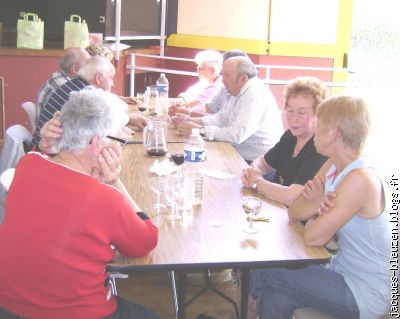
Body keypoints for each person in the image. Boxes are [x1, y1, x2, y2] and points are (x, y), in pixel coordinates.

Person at [0, 89, 159, 319]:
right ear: (97, 144)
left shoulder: (28, 163)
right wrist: (115, 183)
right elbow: (147, 240)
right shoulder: (106, 198)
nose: (121, 146)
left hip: (9, 308)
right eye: (119, 139)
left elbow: (52, 169)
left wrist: (49, 145)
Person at [249, 95, 391, 319]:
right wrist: (317, 204)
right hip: (339, 272)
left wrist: (315, 207)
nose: (315, 129)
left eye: (319, 123)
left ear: (333, 132)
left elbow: (313, 237)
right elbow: (294, 212)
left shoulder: (361, 180)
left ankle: (242, 312)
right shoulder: (333, 164)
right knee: (275, 296)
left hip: (365, 292)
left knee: (264, 269)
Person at [173, 56, 283, 163]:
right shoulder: (239, 89)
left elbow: (237, 134)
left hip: (255, 164)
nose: (222, 80)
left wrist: (200, 131)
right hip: (236, 153)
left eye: (226, 75)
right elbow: (222, 118)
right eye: (222, 74)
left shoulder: (255, 94)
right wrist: (190, 120)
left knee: (197, 162)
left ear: (243, 78)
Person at [241, 77, 329, 206]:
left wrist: (257, 182)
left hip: (299, 223)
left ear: (318, 114)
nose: (294, 119)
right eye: (290, 111)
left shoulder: (321, 148)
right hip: (278, 209)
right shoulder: (290, 137)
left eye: (302, 113)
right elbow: (264, 162)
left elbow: (294, 196)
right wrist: (253, 171)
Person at [32, 56, 148, 150]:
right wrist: (129, 118)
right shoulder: (82, 98)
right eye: (111, 78)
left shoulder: (72, 87)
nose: (112, 84)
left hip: (43, 148)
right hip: (49, 153)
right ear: (99, 77)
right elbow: (109, 117)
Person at [169, 49, 248, 118]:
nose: (221, 72)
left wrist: (184, 108)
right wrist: (184, 107)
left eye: (200, 68)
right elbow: (185, 96)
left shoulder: (219, 87)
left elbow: (192, 106)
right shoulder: (209, 83)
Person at [35, 47, 90, 121]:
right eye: (88, 64)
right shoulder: (67, 89)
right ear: (75, 70)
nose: (91, 67)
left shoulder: (56, 80)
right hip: (50, 131)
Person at [173, 49, 223, 114]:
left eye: (200, 68)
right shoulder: (205, 82)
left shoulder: (215, 88)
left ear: (210, 70)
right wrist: (183, 99)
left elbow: (189, 104)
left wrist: (183, 101)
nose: (197, 71)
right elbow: (185, 95)